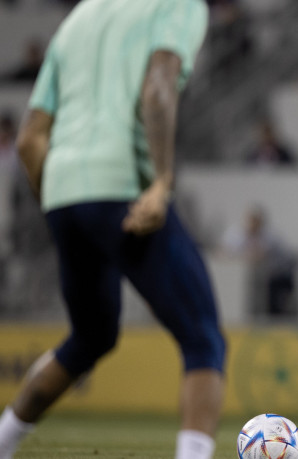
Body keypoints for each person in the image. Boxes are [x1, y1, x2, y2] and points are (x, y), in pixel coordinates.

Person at [0, 2, 226, 459]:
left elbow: (28, 139)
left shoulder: (80, 16)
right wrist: (161, 183)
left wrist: (63, 203)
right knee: (202, 337)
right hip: (123, 185)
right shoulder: (178, 5)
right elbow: (159, 86)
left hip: (62, 192)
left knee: (90, 337)